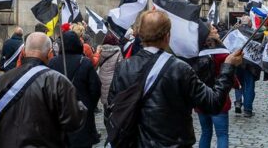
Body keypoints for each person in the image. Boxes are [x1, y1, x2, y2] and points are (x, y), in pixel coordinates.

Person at [108, 10, 243, 147]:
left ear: (140, 35)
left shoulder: (123, 67)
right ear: (168, 36)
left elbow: (111, 109)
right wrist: (228, 67)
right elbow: (213, 103)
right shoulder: (180, 68)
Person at [0, 32, 87, 147]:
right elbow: (74, 121)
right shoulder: (58, 81)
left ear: (22, 53)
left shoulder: (1, 81)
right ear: (50, 54)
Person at [49, 31, 101, 148]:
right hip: (82, 114)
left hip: (59, 115)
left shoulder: (52, 63)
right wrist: (89, 105)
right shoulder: (85, 63)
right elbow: (96, 88)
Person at [195, 22, 239, 148]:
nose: (216, 29)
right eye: (213, 28)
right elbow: (229, 74)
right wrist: (236, 84)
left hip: (201, 97)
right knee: (222, 134)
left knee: (206, 133)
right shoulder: (223, 54)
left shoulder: (196, 52)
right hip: (219, 99)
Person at [234, 15, 262, 117]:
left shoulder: (235, 32)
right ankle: (247, 109)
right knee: (249, 86)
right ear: (249, 24)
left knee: (238, 84)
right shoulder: (255, 34)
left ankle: (238, 102)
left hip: (236, 62)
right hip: (249, 65)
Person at [99, 30, 123, 110]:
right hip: (113, 79)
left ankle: (105, 119)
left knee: (105, 101)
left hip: (102, 78)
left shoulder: (100, 50)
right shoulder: (118, 51)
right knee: (113, 103)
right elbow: (120, 67)